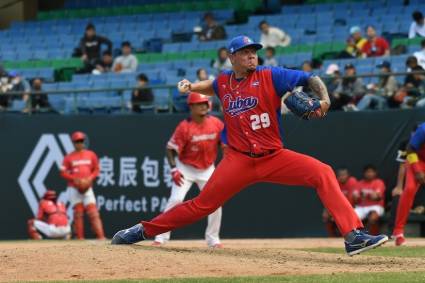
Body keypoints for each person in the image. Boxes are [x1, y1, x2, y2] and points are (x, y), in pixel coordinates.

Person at [111, 35, 388, 256]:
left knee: (323, 172)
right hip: (239, 160)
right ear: (232, 57)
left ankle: (353, 236)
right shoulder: (224, 82)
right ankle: (142, 231)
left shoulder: (270, 75)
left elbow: (311, 78)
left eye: (254, 51)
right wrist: (191, 86)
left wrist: (324, 101)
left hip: (274, 156)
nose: (252, 55)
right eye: (245, 52)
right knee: (201, 205)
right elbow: (211, 85)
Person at [153, 92, 224, 247]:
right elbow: (170, 149)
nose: (204, 106)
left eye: (205, 103)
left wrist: (225, 163)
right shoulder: (184, 127)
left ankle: (213, 239)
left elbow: (224, 145)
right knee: (176, 200)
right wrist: (173, 170)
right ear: (191, 107)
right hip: (186, 168)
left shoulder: (216, 123)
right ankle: (160, 237)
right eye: (199, 103)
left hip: (207, 169)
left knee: (215, 203)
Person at [60, 131, 105, 240]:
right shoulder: (68, 157)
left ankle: (101, 236)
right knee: (78, 213)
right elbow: (63, 172)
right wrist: (74, 179)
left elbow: (97, 169)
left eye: (81, 141)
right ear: (73, 143)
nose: (79, 143)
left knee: (93, 212)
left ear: (84, 142)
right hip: (74, 187)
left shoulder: (91, 154)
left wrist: (90, 178)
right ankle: (80, 238)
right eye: (77, 141)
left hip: (87, 187)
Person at [392, 122, 425, 246]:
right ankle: (398, 231)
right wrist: (417, 170)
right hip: (417, 160)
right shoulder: (423, 129)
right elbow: (410, 149)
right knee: (410, 189)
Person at [322, 167, 358, 237]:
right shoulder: (335, 182)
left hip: (352, 207)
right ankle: (332, 237)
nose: (342, 177)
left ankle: (353, 237)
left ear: (348, 175)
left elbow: (352, 200)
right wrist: (328, 210)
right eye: (340, 175)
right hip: (339, 207)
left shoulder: (352, 181)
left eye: (344, 175)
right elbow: (330, 198)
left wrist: (340, 213)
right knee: (326, 214)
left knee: (347, 215)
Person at [352, 165, 386, 236]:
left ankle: (373, 236)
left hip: (376, 206)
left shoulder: (378, 182)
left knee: (373, 217)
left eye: (371, 172)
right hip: (361, 207)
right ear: (364, 173)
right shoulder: (359, 183)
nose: (369, 174)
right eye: (367, 172)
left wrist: (365, 194)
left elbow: (376, 197)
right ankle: (355, 237)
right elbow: (355, 198)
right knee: (351, 217)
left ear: (375, 173)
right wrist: (361, 195)